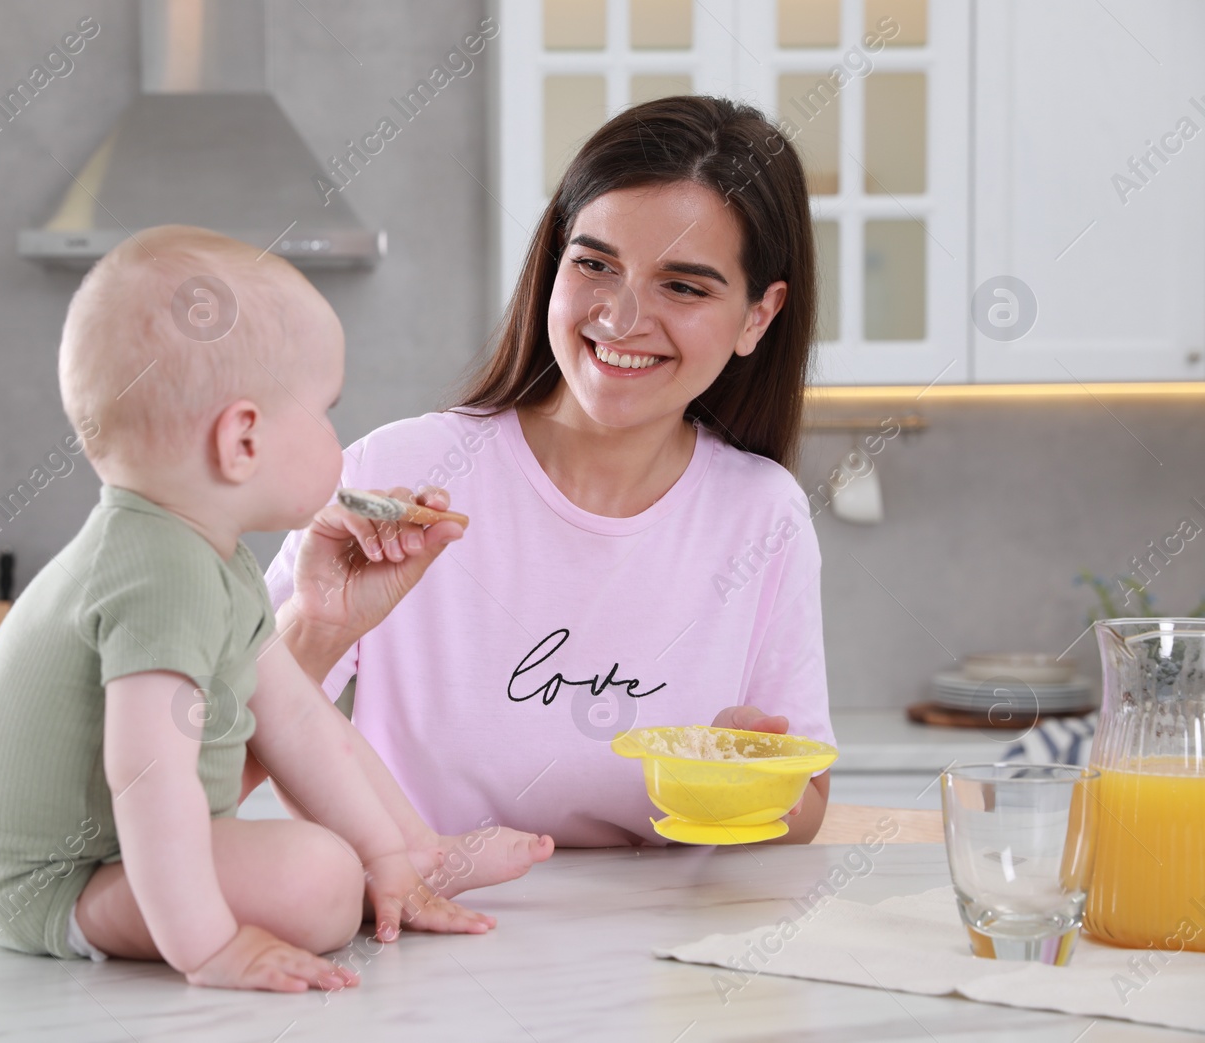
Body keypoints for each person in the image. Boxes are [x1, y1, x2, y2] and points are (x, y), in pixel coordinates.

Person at [0, 226, 526, 995]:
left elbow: (299, 724)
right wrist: (211, 947)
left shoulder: (206, 556)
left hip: (114, 859)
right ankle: (348, 879)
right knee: (318, 877)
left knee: (333, 835)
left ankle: (416, 861)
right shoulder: (157, 571)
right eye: (326, 411)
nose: (337, 438)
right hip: (61, 886)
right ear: (243, 439)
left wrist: (387, 854)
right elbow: (147, 775)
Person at [261, 95, 834, 848]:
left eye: (684, 286)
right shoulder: (398, 475)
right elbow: (234, 744)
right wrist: (315, 629)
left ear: (758, 316)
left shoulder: (763, 514)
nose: (623, 318)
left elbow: (809, 805)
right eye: (595, 263)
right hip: (424, 930)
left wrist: (747, 776)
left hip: (661, 942)